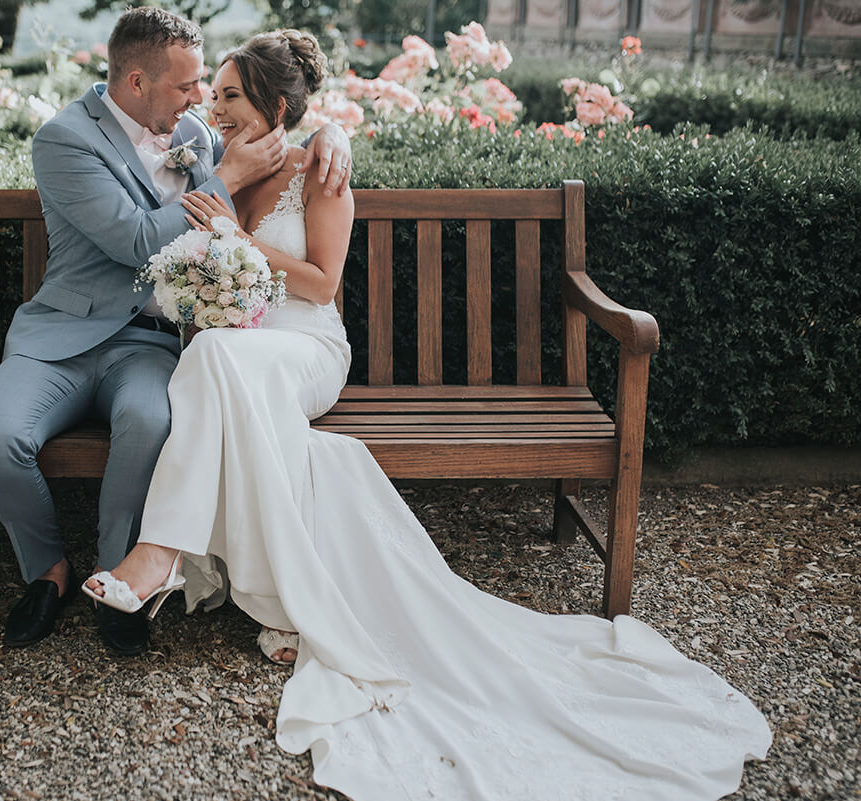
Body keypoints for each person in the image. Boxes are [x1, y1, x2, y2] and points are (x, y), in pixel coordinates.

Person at [83, 29, 772, 801]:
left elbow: (318, 284)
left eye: (231, 96)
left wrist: (242, 236)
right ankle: (272, 599)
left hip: (305, 351)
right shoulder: (217, 163)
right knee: (213, 364)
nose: (214, 107)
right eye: (212, 95)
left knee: (210, 365)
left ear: (276, 105)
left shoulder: (319, 168)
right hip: (242, 356)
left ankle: (163, 553)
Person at [0, 7, 353, 657]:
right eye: (188, 85)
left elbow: (280, 131)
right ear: (136, 82)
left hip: (150, 344)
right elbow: (138, 241)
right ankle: (48, 571)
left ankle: (126, 577)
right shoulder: (64, 140)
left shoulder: (196, 130)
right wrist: (225, 183)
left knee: (150, 422)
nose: (201, 98)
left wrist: (335, 131)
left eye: (207, 86)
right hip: (63, 335)